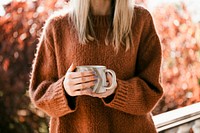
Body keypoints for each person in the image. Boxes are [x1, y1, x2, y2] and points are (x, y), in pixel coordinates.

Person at [29, 0, 164, 132]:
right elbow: (40, 93)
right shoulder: (57, 26)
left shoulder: (141, 20)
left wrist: (116, 90)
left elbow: (151, 90)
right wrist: (64, 89)